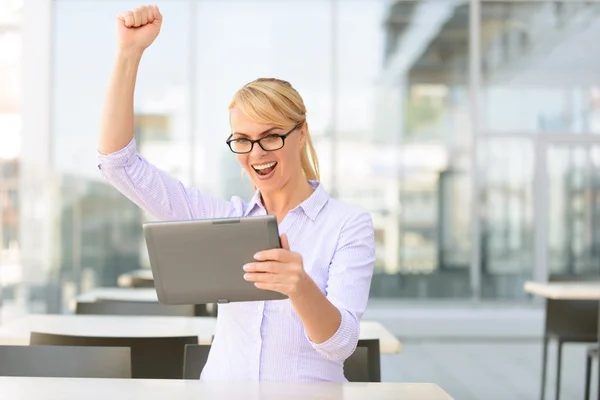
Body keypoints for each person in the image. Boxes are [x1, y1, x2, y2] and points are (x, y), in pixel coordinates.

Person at [97, 5, 375, 382]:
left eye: (271, 136)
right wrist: (129, 54)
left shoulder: (347, 225)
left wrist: (300, 286)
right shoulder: (221, 219)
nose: (257, 154)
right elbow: (119, 165)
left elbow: (341, 344)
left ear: (302, 133)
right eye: (243, 141)